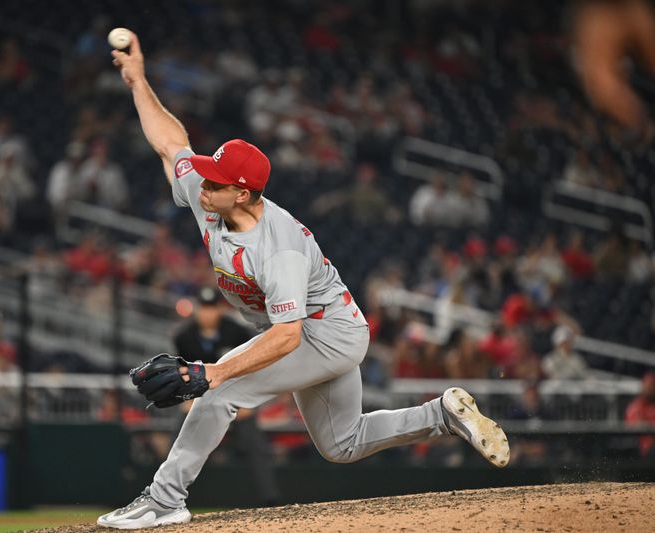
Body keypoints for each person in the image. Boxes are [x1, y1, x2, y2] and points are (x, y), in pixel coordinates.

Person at [97, 31, 510, 530]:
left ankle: (165, 499)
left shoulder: (280, 248)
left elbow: (288, 336)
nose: (202, 185)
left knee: (219, 393)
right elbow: (171, 144)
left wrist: (213, 372)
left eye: (216, 182)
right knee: (342, 443)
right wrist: (139, 81)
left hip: (323, 332)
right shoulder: (212, 199)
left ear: (244, 193)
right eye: (206, 176)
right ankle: (442, 414)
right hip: (322, 326)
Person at [173, 286, 279, 506]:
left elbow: (252, 368)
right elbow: (181, 375)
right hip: (199, 400)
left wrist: (248, 404)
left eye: (212, 308)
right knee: (179, 438)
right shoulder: (184, 336)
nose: (207, 313)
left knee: (255, 444)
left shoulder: (236, 332)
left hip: (236, 400)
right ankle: (167, 497)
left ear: (220, 310)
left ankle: (269, 500)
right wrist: (187, 400)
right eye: (203, 308)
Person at [625, 372, 655, 458]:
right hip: (641, 448)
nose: (650, 389)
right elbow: (632, 425)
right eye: (648, 386)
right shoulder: (636, 406)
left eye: (653, 386)